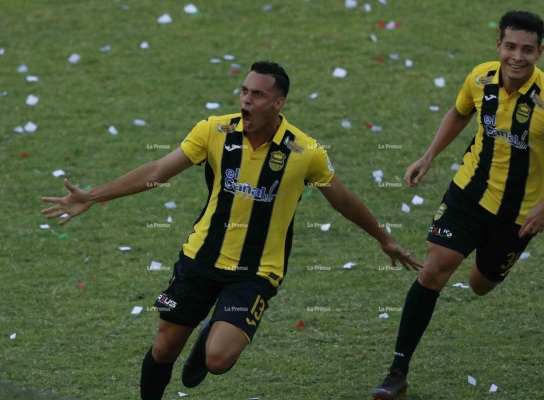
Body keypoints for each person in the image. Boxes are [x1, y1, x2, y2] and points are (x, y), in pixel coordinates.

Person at [41, 60, 422, 400]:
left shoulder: (304, 152)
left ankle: (212, 332)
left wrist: (384, 239)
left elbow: (342, 199)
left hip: (256, 272)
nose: (246, 101)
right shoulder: (214, 131)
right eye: (244, 91)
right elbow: (157, 172)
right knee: (163, 350)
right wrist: (93, 195)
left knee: (219, 360)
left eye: (257, 95)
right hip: (200, 259)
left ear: (278, 103)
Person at [372, 10, 544, 400]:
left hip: (518, 215)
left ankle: (486, 265)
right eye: (511, 46)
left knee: (480, 285)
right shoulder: (481, 77)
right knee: (434, 270)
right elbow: (459, 111)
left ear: (540, 53)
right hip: (468, 194)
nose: (517, 56)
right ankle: (397, 372)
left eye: (528, 50)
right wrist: (429, 155)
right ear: (498, 44)